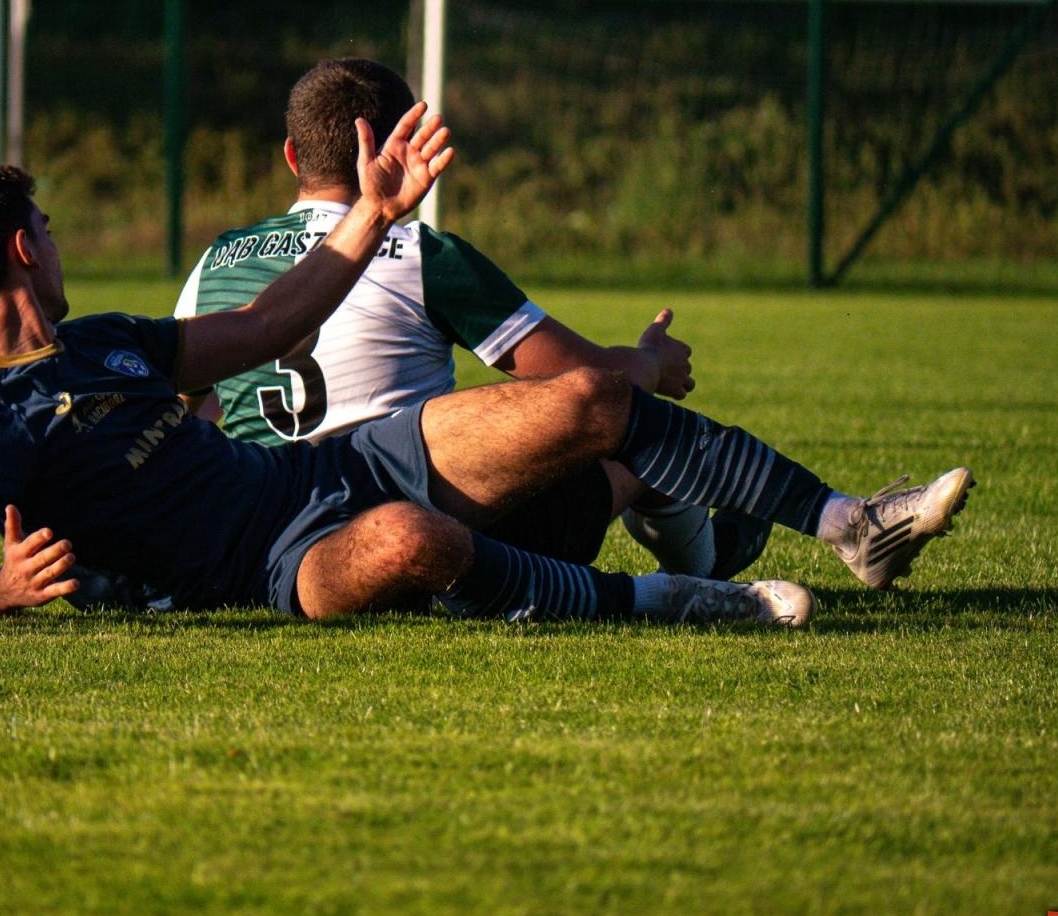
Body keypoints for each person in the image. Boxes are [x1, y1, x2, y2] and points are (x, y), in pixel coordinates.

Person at [0, 102, 973, 628]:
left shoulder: (104, 337)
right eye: (46, 228)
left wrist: (371, 215)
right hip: (271, 569)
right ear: (19, 249)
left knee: (591, 397)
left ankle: (851, 526)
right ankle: (681, 599)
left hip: (327, 465)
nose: (59, 243)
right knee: (422, 540)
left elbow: (277, 317)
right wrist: (0, 591)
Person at [173, 57, 767, 579]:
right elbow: (588, 383)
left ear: (291, 155)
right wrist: (653, 363)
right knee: (634, 424)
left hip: (281, 543)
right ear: (404, 150)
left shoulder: (214, 263)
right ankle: (708, 561)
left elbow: (179, 413)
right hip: (431, 531)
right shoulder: (422, 257)